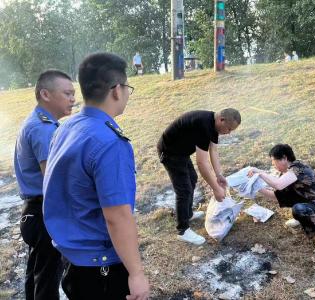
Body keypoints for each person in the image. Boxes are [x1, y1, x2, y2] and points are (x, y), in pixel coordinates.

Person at [43, 53, 150, 300]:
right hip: (100, 267)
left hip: (72, 258)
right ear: (116, 90)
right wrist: (136, 274)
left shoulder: (67, 127)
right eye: (127, 88)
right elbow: (117, 217)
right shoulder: (110, 143)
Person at [14, 70, 76, 300]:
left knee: (37, 273)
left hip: (34, 210)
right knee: (47, 280)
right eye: (67, 93)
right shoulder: (43, 128)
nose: (73, 99)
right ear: (45, 94)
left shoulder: (38, 121)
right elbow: (53, 179)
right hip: (44, 213)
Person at [157, 109, 241, 245]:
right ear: (222, 120)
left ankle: (188, 214)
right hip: (170, 152)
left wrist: (219, 175)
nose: (229, 133)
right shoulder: (203, 125)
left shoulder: (213, 125)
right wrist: (215, 188)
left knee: (192, 179)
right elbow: (202, 162)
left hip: (181, 152)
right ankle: (183, 230)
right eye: (229, 129)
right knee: (184, 190)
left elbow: (213, 151)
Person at [248, 144, 315, 239]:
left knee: (298, 209)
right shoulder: (288, 173)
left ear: (284, 158)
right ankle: (304, 218)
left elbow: (278, 184)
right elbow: (276, 196)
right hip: (312, 203)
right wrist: (257, 187)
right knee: (290, 196)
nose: (273, 165)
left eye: (274, 162)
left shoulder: (298, 168)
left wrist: (260, 173)